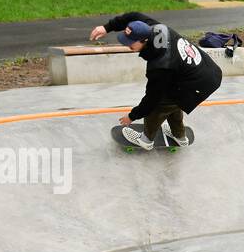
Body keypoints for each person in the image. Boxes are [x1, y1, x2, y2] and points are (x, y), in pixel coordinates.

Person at [89, 12, 222, 150]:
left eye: (130, 43)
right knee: (174, 101)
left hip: (200, 82)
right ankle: (180, 136)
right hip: (204, 70)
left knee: (160, 105)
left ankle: (146, 140)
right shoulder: (151, 27)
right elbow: (133, 16)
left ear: (144, 41)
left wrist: (132, 116)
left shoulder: (160, 65)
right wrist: (107, 27)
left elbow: (151, 99)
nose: (127, 46)